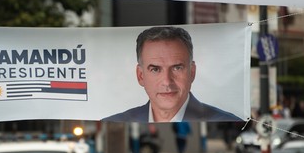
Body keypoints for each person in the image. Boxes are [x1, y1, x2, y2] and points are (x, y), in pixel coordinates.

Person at [103, 26, 242, 123]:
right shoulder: (114, 123)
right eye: (155, 69)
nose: (167, 82)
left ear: (192, 72)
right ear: (140, 76)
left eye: (176, 68)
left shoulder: (229, 121)